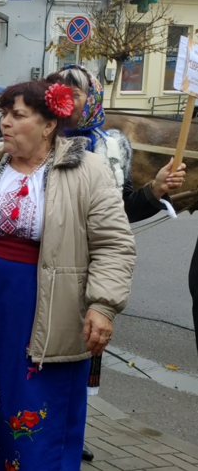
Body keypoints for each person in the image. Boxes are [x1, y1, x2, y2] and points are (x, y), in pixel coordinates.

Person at [0, 80, 136, 471]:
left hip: (48, 310)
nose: (5, 122)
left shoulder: (86, 169)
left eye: (18, 115)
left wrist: (103, 305)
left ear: (48, 125)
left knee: (34, 406)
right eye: (4, 113)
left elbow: (114, 244)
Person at [46, 65, 185, 462]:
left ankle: (72, 433)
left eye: (78, 92)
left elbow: (119, 212)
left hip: (89, 273)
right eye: (61, 90)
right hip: (43, 267)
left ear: (94, 98)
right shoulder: (38, 139)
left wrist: (155, 190)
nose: (69, 99)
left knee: (83, 354)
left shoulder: (112, 147)